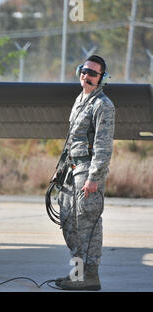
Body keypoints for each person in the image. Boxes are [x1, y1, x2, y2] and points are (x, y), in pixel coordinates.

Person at [55, 55, 115, 291]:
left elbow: (103, 146)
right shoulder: (81, 100)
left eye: (93, 73)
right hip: (71, 169)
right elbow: (71, 140)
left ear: (102, 78)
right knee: (68, 221)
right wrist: (60, 171)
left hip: (87, 170)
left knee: (87, 224)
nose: (86, 76)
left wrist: (94, 178)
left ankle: (91, 276)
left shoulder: (103, 106)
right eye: (84, 71)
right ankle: (77, 274)